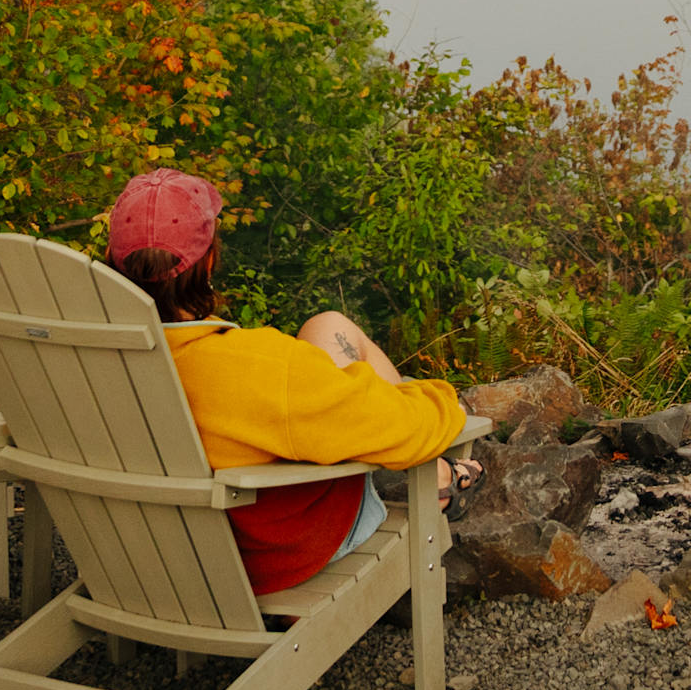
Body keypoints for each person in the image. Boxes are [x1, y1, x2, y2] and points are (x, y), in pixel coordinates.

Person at [101, 168, 475, 594]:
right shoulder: (254, 368)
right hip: (268, 555)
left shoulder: (87, 363)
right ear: (209, 260)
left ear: (114, 264)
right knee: (340, 348)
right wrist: (446, 404)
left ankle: (438, 472)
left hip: (143, 550)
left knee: (327, 327)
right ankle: (441, 475)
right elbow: (406, 427)